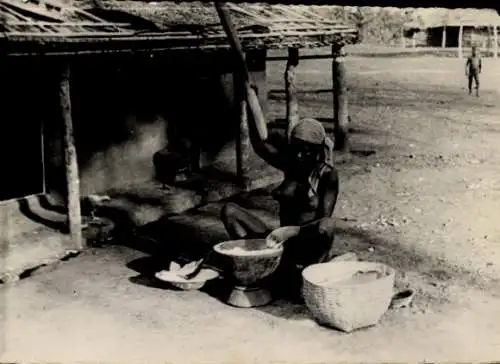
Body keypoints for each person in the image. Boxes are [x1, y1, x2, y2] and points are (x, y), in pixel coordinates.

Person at [220, 104, 340, 298]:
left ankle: (305, 274)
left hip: (307, 247)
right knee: (230, 211)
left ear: (318, 151)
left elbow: (324, 225)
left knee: (327, 225)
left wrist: (292, 231)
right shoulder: (291, 164)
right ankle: (253, 264)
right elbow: (259, 144)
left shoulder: (327, 175)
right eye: (297, 149)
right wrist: (251, 98)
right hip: (280, 245)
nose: (301, 155)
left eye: (307, 150)